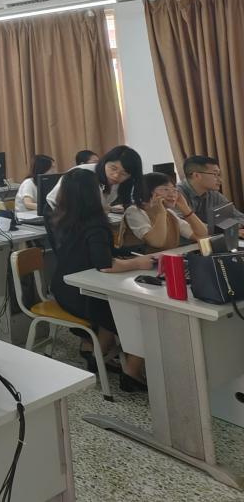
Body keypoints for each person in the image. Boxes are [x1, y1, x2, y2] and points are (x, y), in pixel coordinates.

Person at [49, 167, 154, 390]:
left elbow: (99, 253)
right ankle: (132, 371)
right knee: (142, 315)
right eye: (99, 187)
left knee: (120, 304)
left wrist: (131, 254)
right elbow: (105, 265)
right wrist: (138, 263)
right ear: (90, 193)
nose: (103, 190)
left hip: (64, 287)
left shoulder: (64, 218)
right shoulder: (95, 223)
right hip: (81, 295)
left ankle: (99, 353)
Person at [121, 172, 208, 252]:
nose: (172, 194)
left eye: (174, 190)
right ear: (146, 191)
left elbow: (202, 235)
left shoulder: (170, 213)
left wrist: (186, 209)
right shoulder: (134, 211)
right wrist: (161, 212)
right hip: (140, 262)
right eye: (165, 189)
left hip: (165, 260)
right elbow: (157, 242)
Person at [47, 145, 142, 211]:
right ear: (105, 162)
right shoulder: (83, 174)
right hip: (57, 209)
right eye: (113, 168)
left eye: (124, 173)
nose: (116, 175)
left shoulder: (123, 184)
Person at [178, 155, 244, 237]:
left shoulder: (213, 193)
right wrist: (225, 230)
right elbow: (184, 228)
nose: (220, 180)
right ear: (197, 175)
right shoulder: (176, 195)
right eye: (215, 174)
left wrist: (231, 228)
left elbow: (239, 217)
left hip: (211, 239)